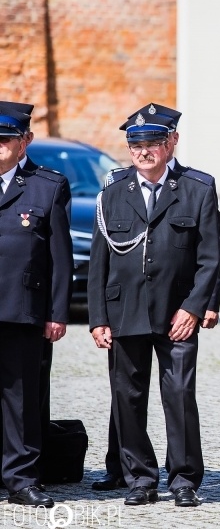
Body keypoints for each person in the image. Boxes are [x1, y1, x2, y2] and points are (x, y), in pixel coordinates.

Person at [88, 109, 220, 507]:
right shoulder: (112, 192)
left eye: (152, 144)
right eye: (135, 145)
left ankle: (183, 480)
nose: (143, 152)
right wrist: (98, 318)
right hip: (124, 310)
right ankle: (140, 478)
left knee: (179, 395)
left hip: (176, 313)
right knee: (127, 397)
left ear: (171, 144)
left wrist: (195, 307)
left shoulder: (197, 188)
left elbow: (210, 256)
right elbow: (100, 262)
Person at [0, 105, 72, 507]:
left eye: (5, 140)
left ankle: (22, 478)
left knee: (22, 399)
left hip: (22, 310)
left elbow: (61, 257)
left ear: (23, 142)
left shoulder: (47, 186)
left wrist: (57, 313)